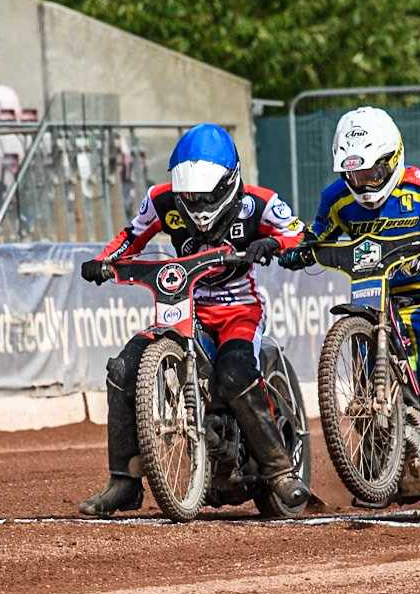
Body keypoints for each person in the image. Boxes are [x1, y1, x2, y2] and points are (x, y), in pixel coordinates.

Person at [280, 106, 420, 514]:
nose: (364, 183)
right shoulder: (335, 200)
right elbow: (314, 237)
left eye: (372, 172)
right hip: (372, 311)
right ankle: (382, 467)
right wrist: (296, 250)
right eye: (354, 175)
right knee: (367, 396)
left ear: (392, 159)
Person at [78, 123, 310, 517]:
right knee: (122, 370)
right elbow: (131, 236)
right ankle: (124, 482)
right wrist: (103, 262)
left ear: (230, 182)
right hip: (184, 306)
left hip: (239, 310)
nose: (199, 205)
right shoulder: (161, 200)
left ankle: (280, 471)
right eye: (190, 197)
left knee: (234, 374)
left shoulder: (259, 203)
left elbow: (301, 234)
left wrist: (273, 242)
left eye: (207, 196)